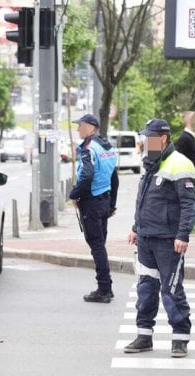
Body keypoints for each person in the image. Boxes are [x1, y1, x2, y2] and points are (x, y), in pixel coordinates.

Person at [124, 119, 195, 358]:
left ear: (163, 138)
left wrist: (183, 234)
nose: (145, 141)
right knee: (145, 288)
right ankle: (144, 336)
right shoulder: (150, 162)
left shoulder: (180, 163)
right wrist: (136, 227)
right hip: (146, 238)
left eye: (149, 137)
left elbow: (189, 204)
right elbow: (144, 199)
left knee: (172, 289)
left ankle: (180, 338)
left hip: (169, 240)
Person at [69, 113, 119, 303]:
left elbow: (87, 175)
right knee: (100, 244)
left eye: (80, 125)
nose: (77, 129)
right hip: (104, 201)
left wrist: (74, 194)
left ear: (91, 127)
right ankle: (107, 287)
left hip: (91, 203)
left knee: (96, 246)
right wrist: (112, 204)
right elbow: (114, 178)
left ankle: (104, 289)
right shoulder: (107, 147)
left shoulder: (88, 148)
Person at [174, 111, 195, 233]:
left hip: (191, 178)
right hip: (187, 179)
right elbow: (176, 156)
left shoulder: (191, 138)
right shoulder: (185, 138)